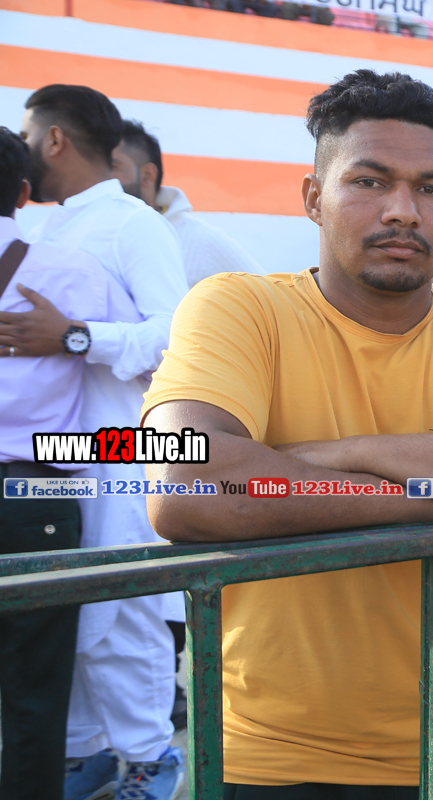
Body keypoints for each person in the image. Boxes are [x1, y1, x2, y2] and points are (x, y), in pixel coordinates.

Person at [139, 69, 433, 797]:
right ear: (313, 198)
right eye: (368, 182)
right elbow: (189, 484)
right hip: (270, 755)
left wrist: (341, 456)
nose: (404, 210)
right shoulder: (239, 310)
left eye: (431, 188)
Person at [8, 83, 189, 800]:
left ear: (54, 139)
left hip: (122, 447)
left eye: (28, 134)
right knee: (67, 609)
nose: (23, 147)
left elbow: (177, 337)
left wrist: (77, 337)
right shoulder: (49, 229)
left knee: (123, 610)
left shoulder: (129, 224)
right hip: (52, 455)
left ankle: (151, 762)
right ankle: (88, 754)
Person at [0, 126, 139, 800]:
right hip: (36, 494)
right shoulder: (69, 269)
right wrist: (73, 338)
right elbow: (151, 351)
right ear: (25, 191)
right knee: (34, 693)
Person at [112, 119, 265, 287]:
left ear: (147, 175)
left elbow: (269, 296)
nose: (100, 177)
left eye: (112, 166)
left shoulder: (201, 242)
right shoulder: (96, 236)